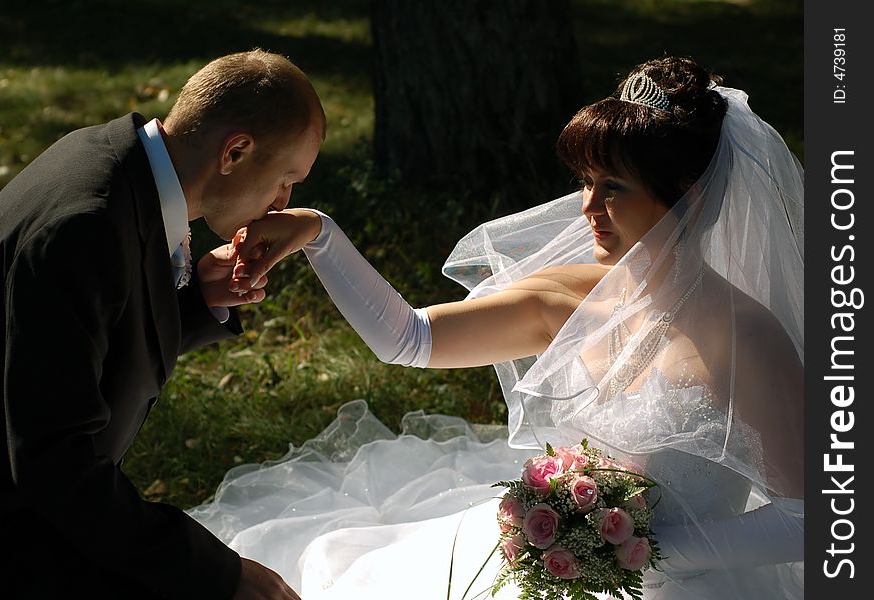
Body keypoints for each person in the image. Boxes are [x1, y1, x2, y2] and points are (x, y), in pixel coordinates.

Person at [194, 56, 805, 599]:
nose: (588, 207)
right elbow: (409, 338)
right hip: (556, 570)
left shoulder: (745, 338)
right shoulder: (571, 297)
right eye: (587, 183)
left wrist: (636, 552)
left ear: (690, 198)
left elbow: (815, 519)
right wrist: (317, 234)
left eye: (613, 187)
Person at [0, 49, 323, 599]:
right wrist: (221, 576)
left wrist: (192, 302)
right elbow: (57, 466)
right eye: (287, 179)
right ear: (235, 151)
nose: (284, 203)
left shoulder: (120, 162)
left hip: (35, 509)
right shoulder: (84, 227)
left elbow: (88, 339)